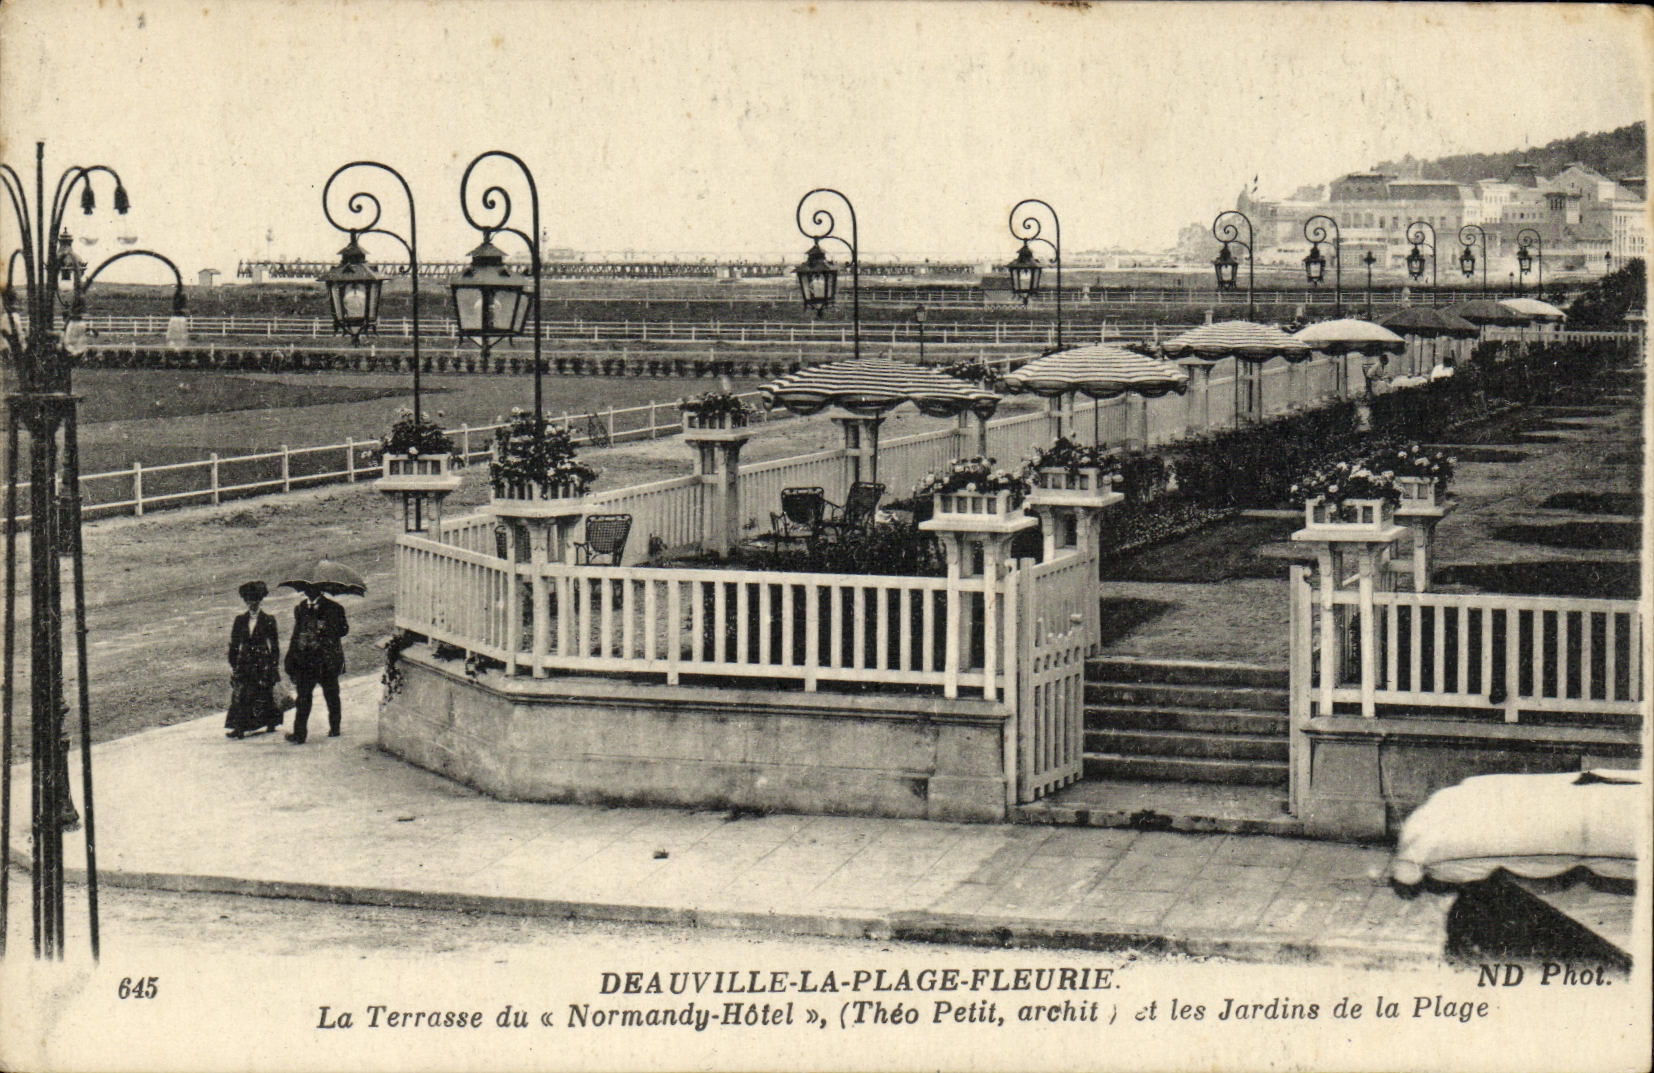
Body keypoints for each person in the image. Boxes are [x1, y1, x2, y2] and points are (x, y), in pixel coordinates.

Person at [284, 584, 349, 744]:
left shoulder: (334, 608)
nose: (308, 591)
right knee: (303, 698)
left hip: (326, 661)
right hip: (306, 661)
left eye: (312, 588)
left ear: (319, 589)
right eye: (306, 588)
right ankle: (299, 734)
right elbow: (296, 634)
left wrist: (326, 628)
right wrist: (291, 658)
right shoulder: (300, 608)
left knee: (331, 695)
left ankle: (335, 727)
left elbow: (343, 630)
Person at [225, 580, 282, 739]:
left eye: (255, 600)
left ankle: (270, 722)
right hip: (245, 662)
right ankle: (239, 727)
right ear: (246, 601)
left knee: (264, 691)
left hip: (262, 661)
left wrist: (274, 664)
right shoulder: (240, 620)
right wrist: (233, 662)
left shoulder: (268, 619)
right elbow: (234, 643)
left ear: (260, 601)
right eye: (249, 601)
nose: (252, 604)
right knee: (241, 693)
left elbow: (275, 645)